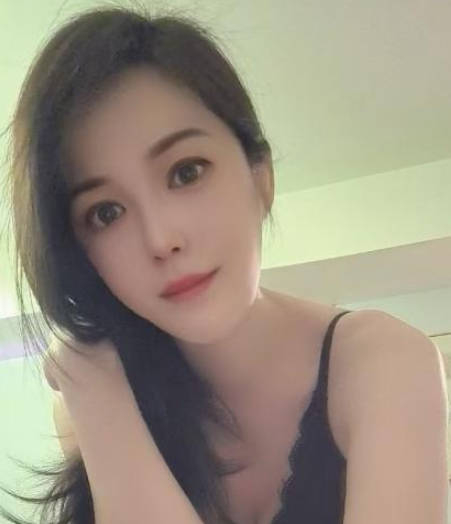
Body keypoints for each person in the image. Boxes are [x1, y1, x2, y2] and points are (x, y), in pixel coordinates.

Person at [0, 5, 448, 524]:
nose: (161, 239)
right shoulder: (92, 398)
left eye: (186, 172)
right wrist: (97, 394)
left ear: (261, 176)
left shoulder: (384, 363)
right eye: (106, 213)